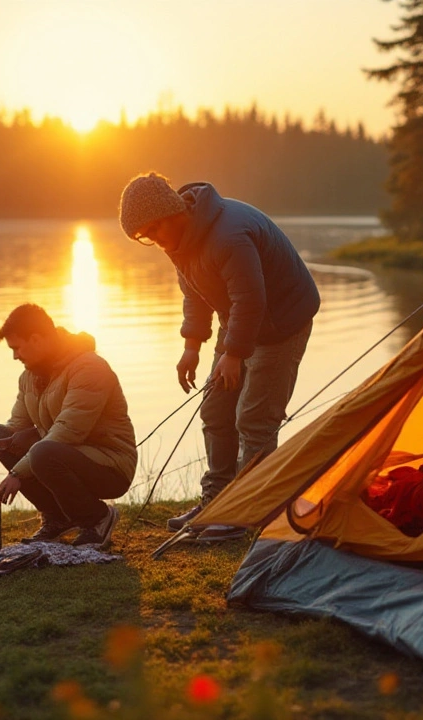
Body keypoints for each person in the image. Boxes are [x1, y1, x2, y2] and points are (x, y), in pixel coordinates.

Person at [118, 173, 320, 540]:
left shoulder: (228, 235)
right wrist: (191, 346)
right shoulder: (178, 242)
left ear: (171, 212)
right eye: (145, 237)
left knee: (255, 419)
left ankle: (245, 512)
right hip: (239, 322)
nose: (155, 241)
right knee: (215, 410)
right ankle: (216, 501)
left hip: (280, 325)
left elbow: (252, 300)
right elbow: (195, 294)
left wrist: (234, 353)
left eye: (153, 230)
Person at [0, 304, 135, 550]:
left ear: (37, 339)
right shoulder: (29, 375)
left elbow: (69, 431)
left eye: (16, 348)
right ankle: (58, 517)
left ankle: (97, 518)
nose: (15, 356)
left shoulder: (89, 367)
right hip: (61, 453)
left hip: (110, 465)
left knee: (43, 452)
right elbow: (17, 426)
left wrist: (17, 473)